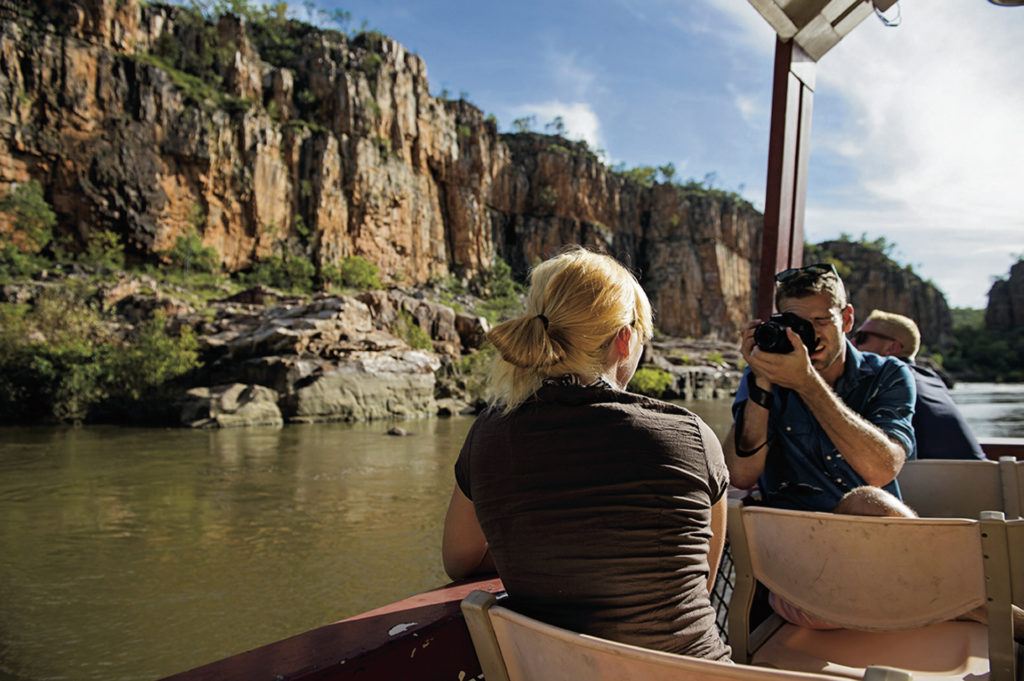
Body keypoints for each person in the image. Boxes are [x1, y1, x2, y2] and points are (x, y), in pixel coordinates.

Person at [441, 246, 731, 660]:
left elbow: (460, 561)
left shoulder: (489, 435)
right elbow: (699, 586)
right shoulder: (691, 438)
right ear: (625, 339)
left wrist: (536, 541)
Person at [724, 263, 917, 515]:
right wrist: (762, 381)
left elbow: (881, 470)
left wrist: (807, 384)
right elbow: (740, 475)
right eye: (798, 324)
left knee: (866, 500)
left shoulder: (888, 374)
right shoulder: (766, 374)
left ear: (847, 319)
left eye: (821, 320)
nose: (811, 334)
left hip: (871, 530)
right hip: (792, 529)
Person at [852, 310, 986, 461]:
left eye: (861, 338)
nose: (851, 344)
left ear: (891, 348)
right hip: (981, 477)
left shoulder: (881, 381)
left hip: (929, 480)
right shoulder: (932, 379)